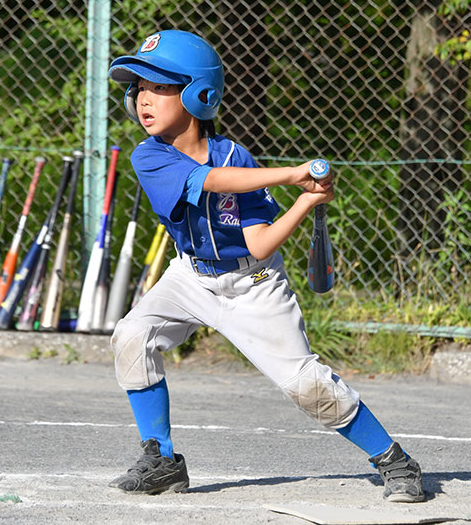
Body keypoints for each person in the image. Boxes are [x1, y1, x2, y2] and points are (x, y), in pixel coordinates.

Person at [106, 29, 424, 503]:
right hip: (191, 275)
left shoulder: (237, 156)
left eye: (160, 87)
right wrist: (293, 172)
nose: (143, 99)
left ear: (199, 94)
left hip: (253, 283)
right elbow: (211, 181)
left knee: (305, 385)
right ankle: (163, 460)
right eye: (139, 89)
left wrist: (304, 200)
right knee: (131, 336)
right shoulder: (150, 156)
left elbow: (259, 244)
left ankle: (395, 461)